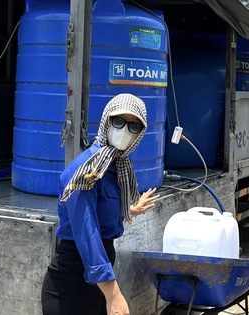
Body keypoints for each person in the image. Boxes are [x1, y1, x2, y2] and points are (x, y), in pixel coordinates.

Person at [41, 93, 160, 315]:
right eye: (119, 121)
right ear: (107, 121)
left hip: (96, 282)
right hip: (71, 285)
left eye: (134, 126)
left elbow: (100, 213)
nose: (124, 130)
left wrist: (129, 209)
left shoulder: (116, 166)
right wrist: (113, 294)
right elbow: (88, 234)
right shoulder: (87, 170)